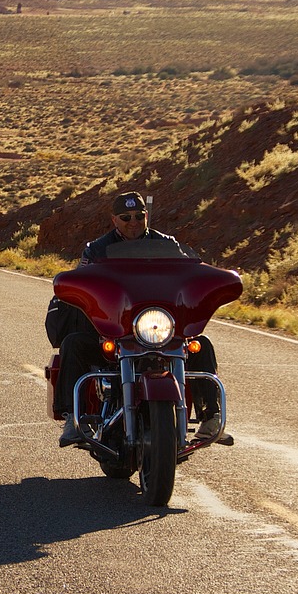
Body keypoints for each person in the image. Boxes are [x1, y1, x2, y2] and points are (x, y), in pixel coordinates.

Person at [47, 191, 221, 447]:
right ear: (114, 219)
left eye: (139, 216)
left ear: (146, 216)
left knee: (200, 344)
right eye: (126, 217)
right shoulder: (97, 249)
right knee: (73, 344)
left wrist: (209, 280)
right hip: (113, 329)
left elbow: (189, 271)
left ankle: (211, 418)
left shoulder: (167, 245)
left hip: (157, 327)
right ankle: (73, 418)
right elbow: (82, 281)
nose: (133, 222)